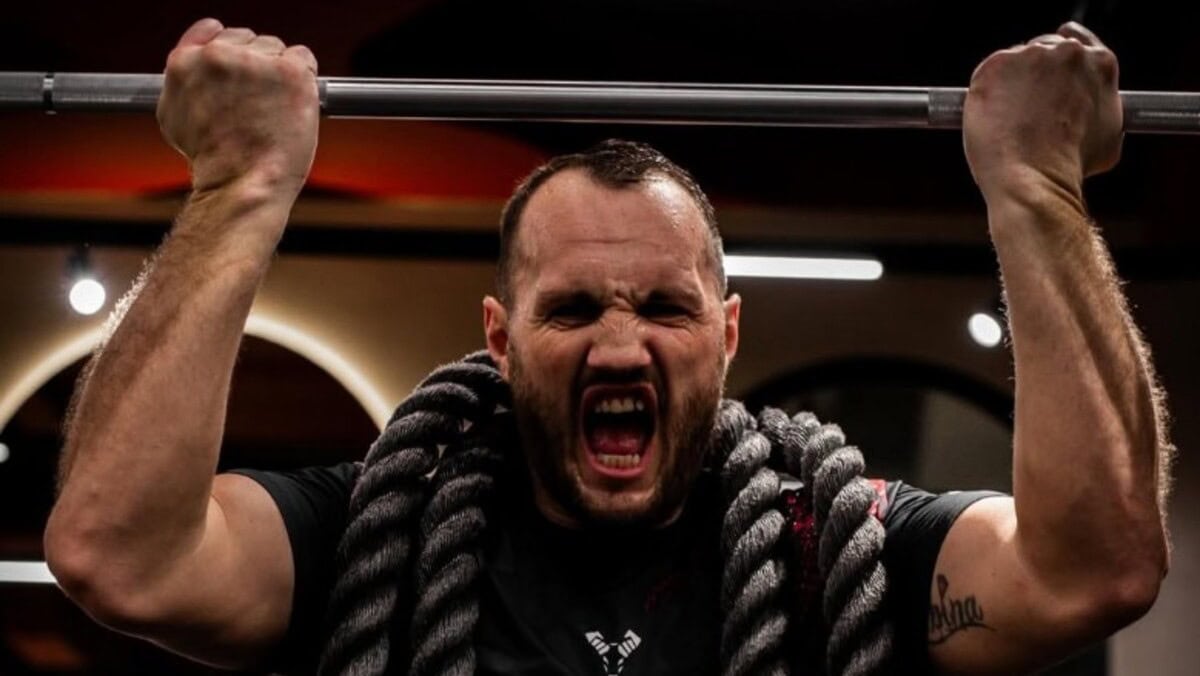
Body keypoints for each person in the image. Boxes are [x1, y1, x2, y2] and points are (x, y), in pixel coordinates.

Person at [42, 16, 1172, 676]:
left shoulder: (838, 550)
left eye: (667, 308)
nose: (622, 346)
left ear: (727, 333)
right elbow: (120, 557)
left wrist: (1037, 194)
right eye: (575, 309)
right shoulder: (375, 539)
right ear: (500, 337)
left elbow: (1092, 571)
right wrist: (240, 190)